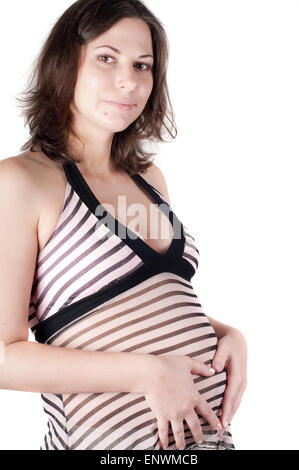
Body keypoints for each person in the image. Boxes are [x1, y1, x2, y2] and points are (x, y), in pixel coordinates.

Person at [0, 0, 247, 450]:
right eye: (106, 58)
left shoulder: (150, 179)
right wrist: (147, 374)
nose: (128, 81)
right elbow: (2, 356)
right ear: (64, 63)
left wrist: (228, 334)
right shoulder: (20, 182)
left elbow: (123, 301)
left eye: (143, 65)